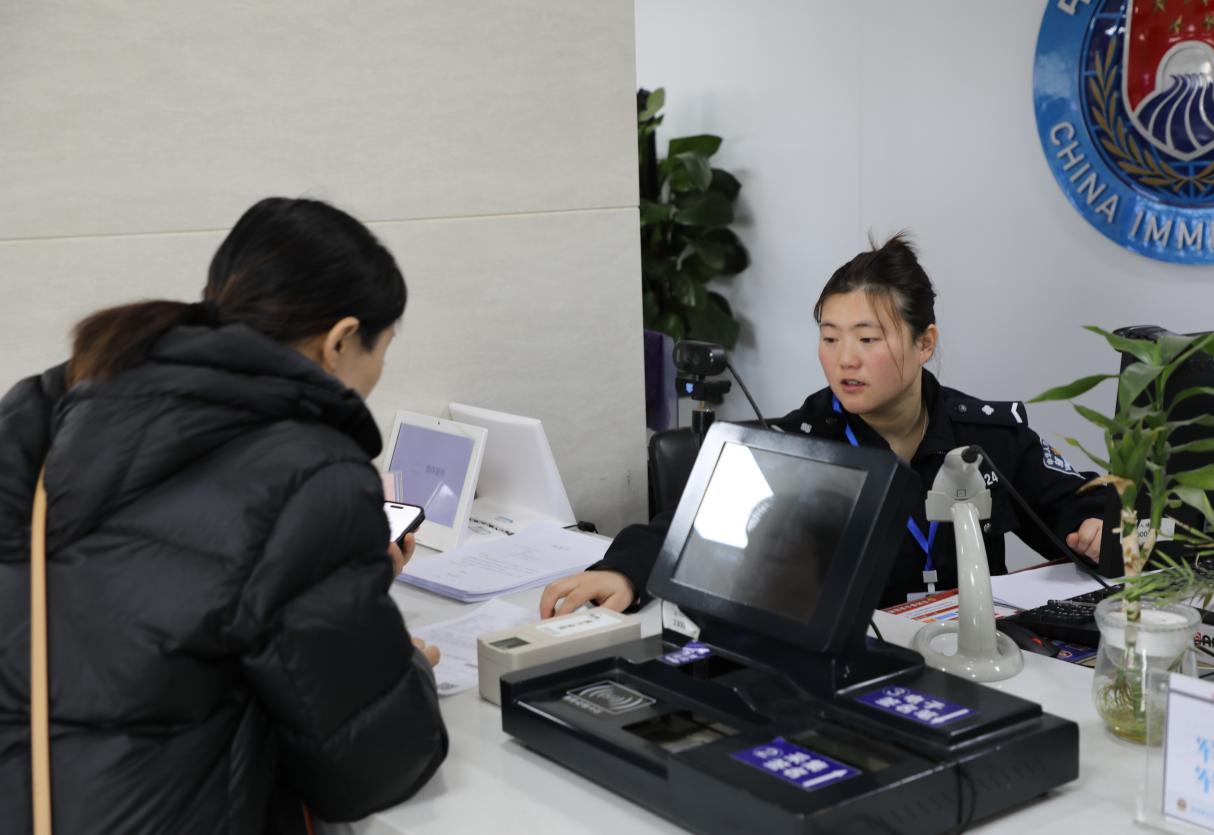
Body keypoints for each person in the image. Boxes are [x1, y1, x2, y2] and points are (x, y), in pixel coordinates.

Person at [0, 197, 448, 834]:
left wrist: (328, 581)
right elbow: (370, 768)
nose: (379, 372)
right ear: (340, 340)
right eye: (382, 350)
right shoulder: (311, 471)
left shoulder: (46, 406)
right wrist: (407, 666)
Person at [541, 233, 1106, 617]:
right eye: (830, 338)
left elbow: (1079, 502)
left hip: (978, 658)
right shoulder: (799, 445)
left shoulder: (988, 438)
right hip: (860, 667)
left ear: (925, 343)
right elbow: (688, 525)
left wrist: (1100, 527)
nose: (844, 360)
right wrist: (622, 572)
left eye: (867, 338)